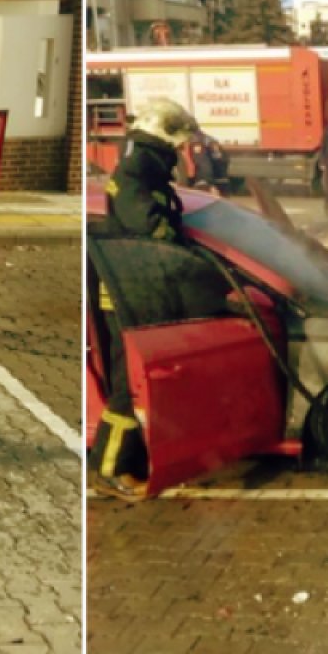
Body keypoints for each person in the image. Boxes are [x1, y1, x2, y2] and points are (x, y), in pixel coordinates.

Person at [91, 97, 198, 501]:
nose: (181, 152)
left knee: (134, 382)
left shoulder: (143, 172)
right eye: (178, 144)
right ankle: (110, 469)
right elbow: (151, 231)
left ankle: (127, 462)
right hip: (128, 292)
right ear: (162, 139)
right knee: (126, 386)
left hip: (140, 286)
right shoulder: (137, 176)